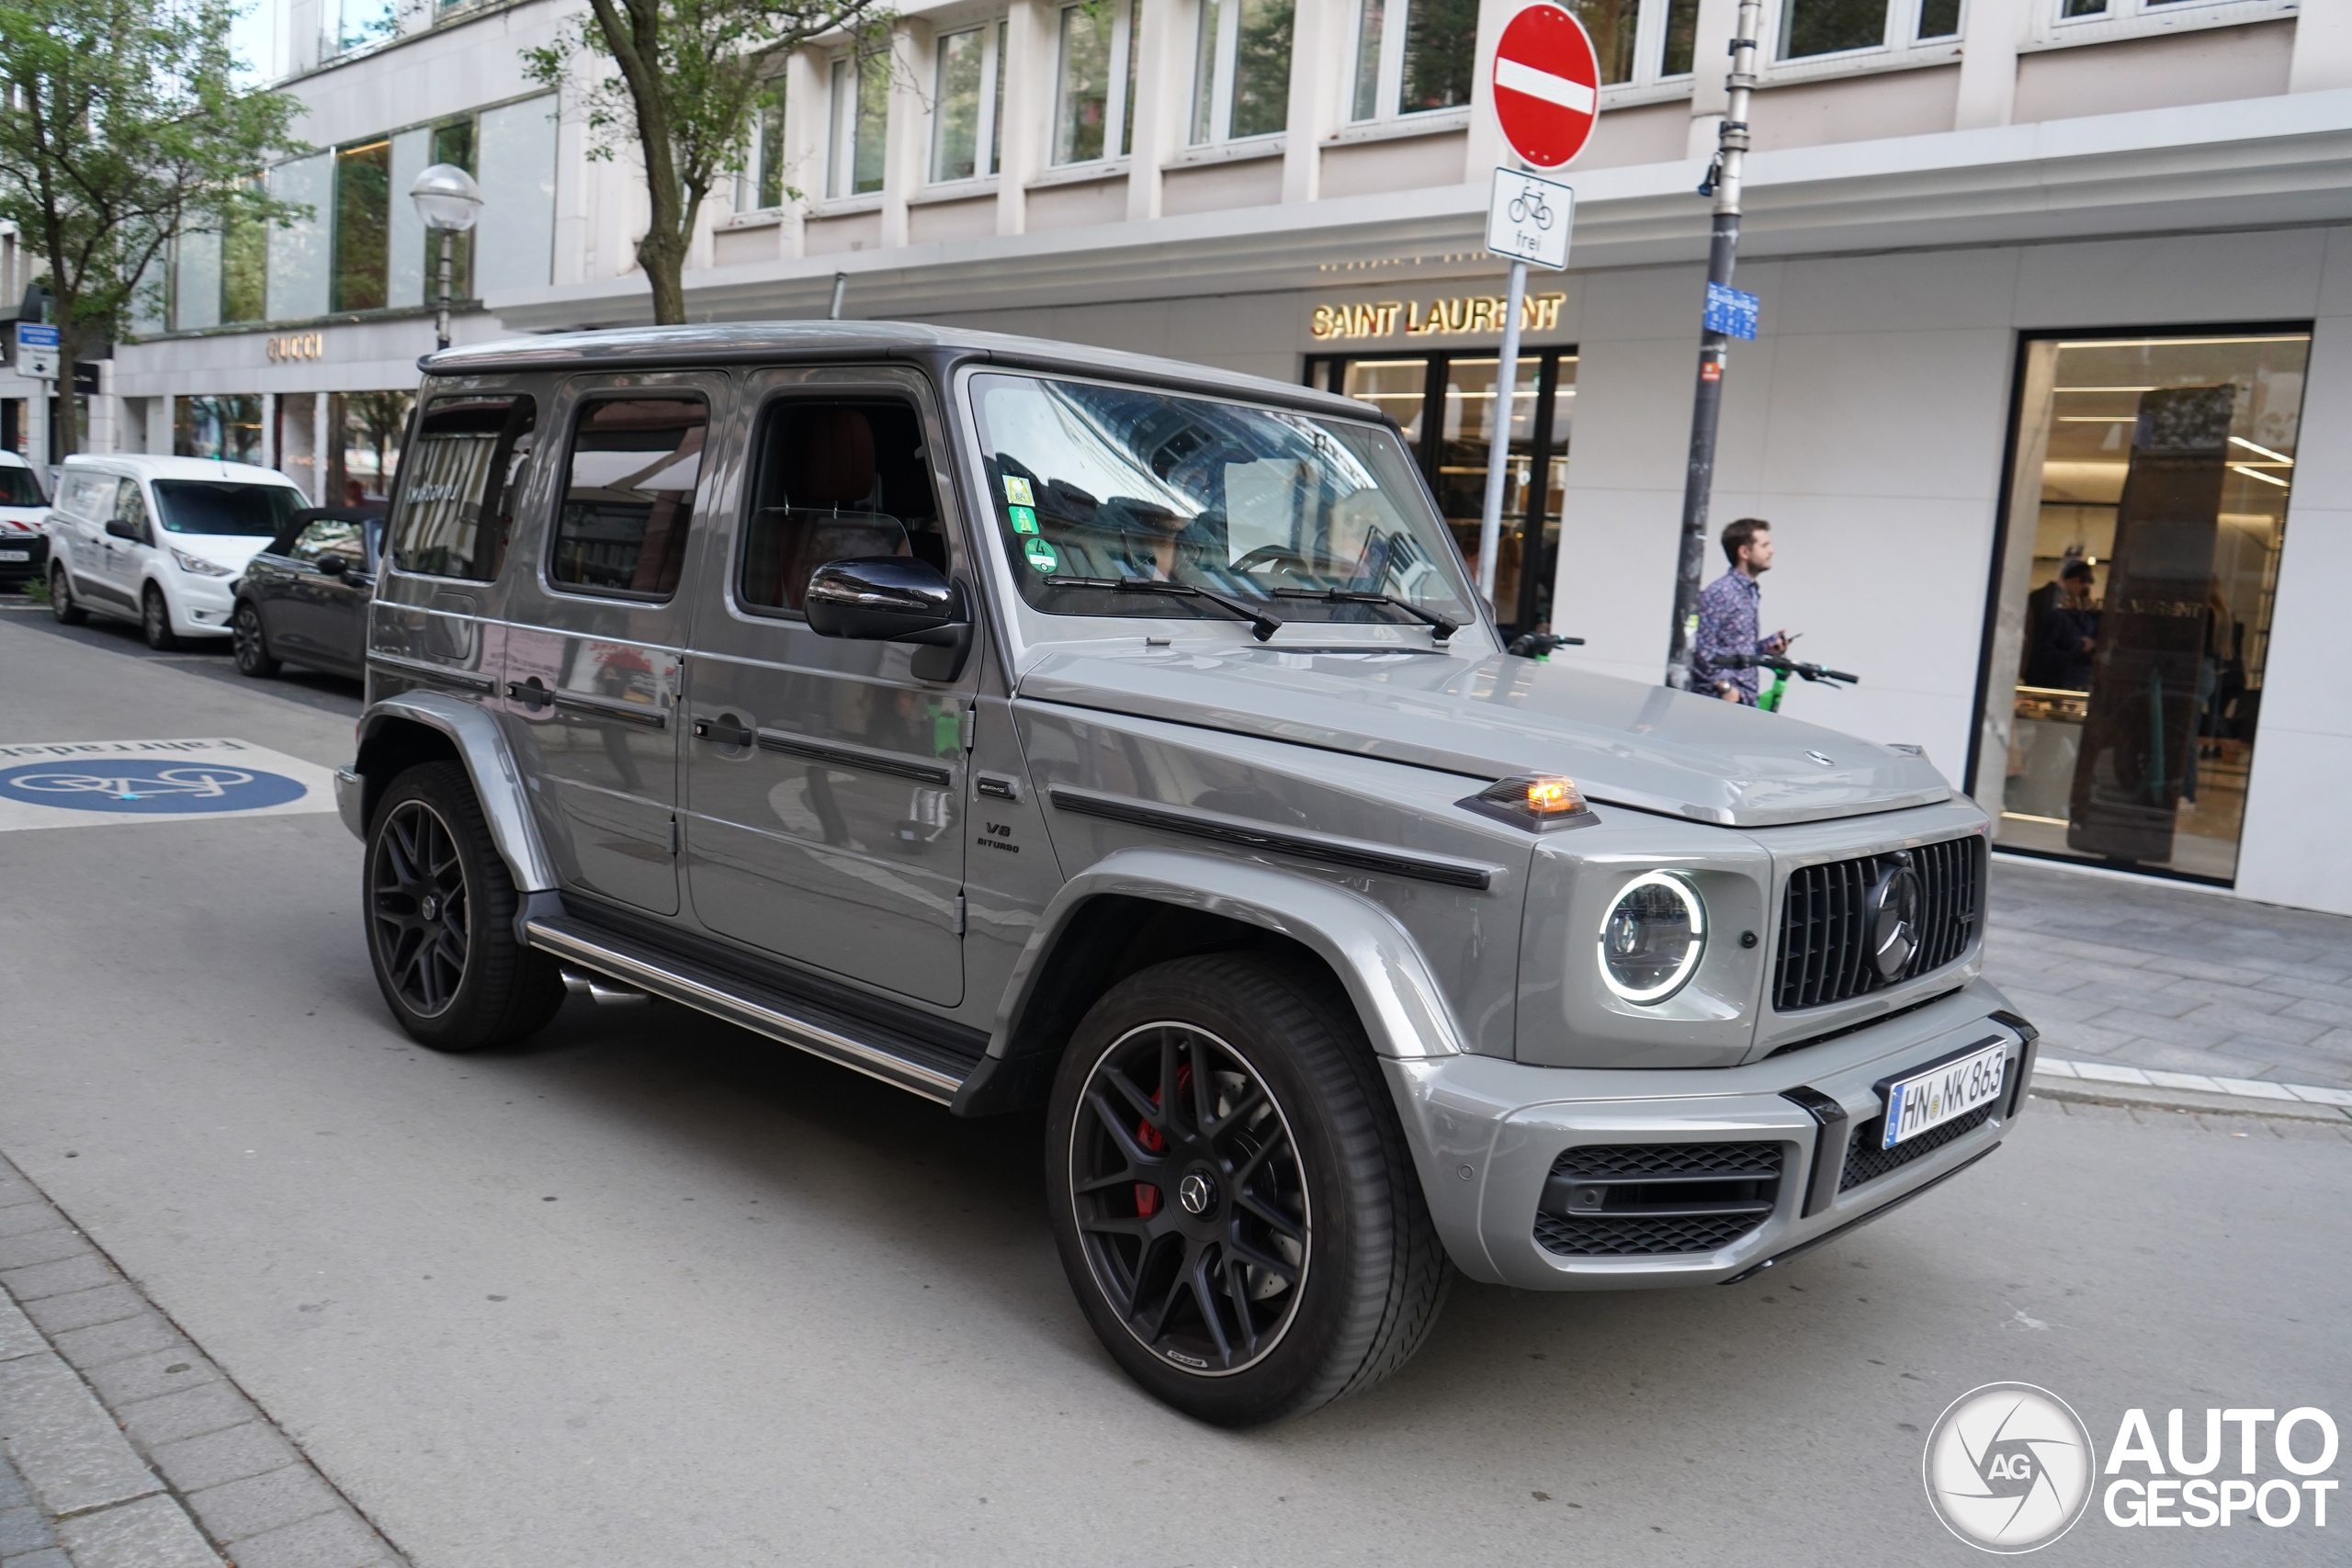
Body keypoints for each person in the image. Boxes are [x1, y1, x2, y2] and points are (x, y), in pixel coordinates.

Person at [1691, 517, 1788, 703]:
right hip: (1719, 702)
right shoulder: (1721, 592)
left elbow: (1736, 649)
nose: (1771, 551)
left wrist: (1767, 647)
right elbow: (1699, 647)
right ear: (1744, 552)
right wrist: (1725, 688)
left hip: (1744, 698)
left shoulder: (1749, 591)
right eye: (1765, 545)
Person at [2025, 559, 2098, 690]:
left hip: (2053, 679)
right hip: (2053, 681)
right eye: (2084, 591)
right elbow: (2043, 651)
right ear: (2075, 581)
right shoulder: (2055, 609)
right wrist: (2079, 648)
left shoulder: (2045, 600)